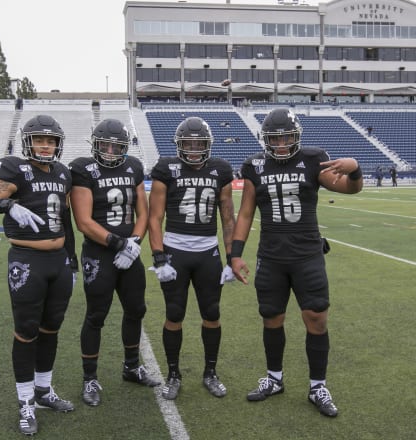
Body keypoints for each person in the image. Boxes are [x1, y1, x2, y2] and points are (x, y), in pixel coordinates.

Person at [230, 108, 363, 418]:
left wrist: (354, 168)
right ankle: (274, 379)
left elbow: (350, 188)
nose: (280, 144)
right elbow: (246, 213)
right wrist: (235, 254)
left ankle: (318, 386)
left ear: (296, 135)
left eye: (286, 137)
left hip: (307, 255)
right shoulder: (254, 165)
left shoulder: (313, 159)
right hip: (272, 256)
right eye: (274, 139)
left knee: (316, 318)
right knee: (271, 317)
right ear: (265, 139)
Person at [0, 115, 77, 436]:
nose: (46, 145)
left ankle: (43, 391)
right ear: (27, 141)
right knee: (27, 331)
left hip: (58, 261)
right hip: (27, 260)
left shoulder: (62, 172)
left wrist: (72, 258)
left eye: (51, 140)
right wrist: (7, 205)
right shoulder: (15, 168)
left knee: (51, 328)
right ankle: (25, 400)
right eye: (40, 139)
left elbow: (66, 217)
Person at [69, 118, 159, 407]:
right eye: (105, 145)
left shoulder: (133, 166)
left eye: (116, 146)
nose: (110, 150)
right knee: (97, 315)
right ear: (94, 145)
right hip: (99, 253)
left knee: (136, 309)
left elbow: (142, 212)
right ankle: (89, 378)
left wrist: (134, 243)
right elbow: (83, 221)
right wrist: (118, 243)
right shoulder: (83, 169)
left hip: (129, 250)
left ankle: (131, 366)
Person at [148, 116, 236, 400]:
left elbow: (227, 216)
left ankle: (210, 372)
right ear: (179, 144)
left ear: (208, 144)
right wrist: (159, 256)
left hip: (208, 251)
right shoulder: (167, 168)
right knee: (175, 313)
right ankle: (173, 374)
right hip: (175, 250)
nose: (195, 148)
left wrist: (232, 257)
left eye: (200, 143)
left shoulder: (220, 169)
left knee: (212, 313)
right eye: (189, 143)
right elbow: (155, 216)